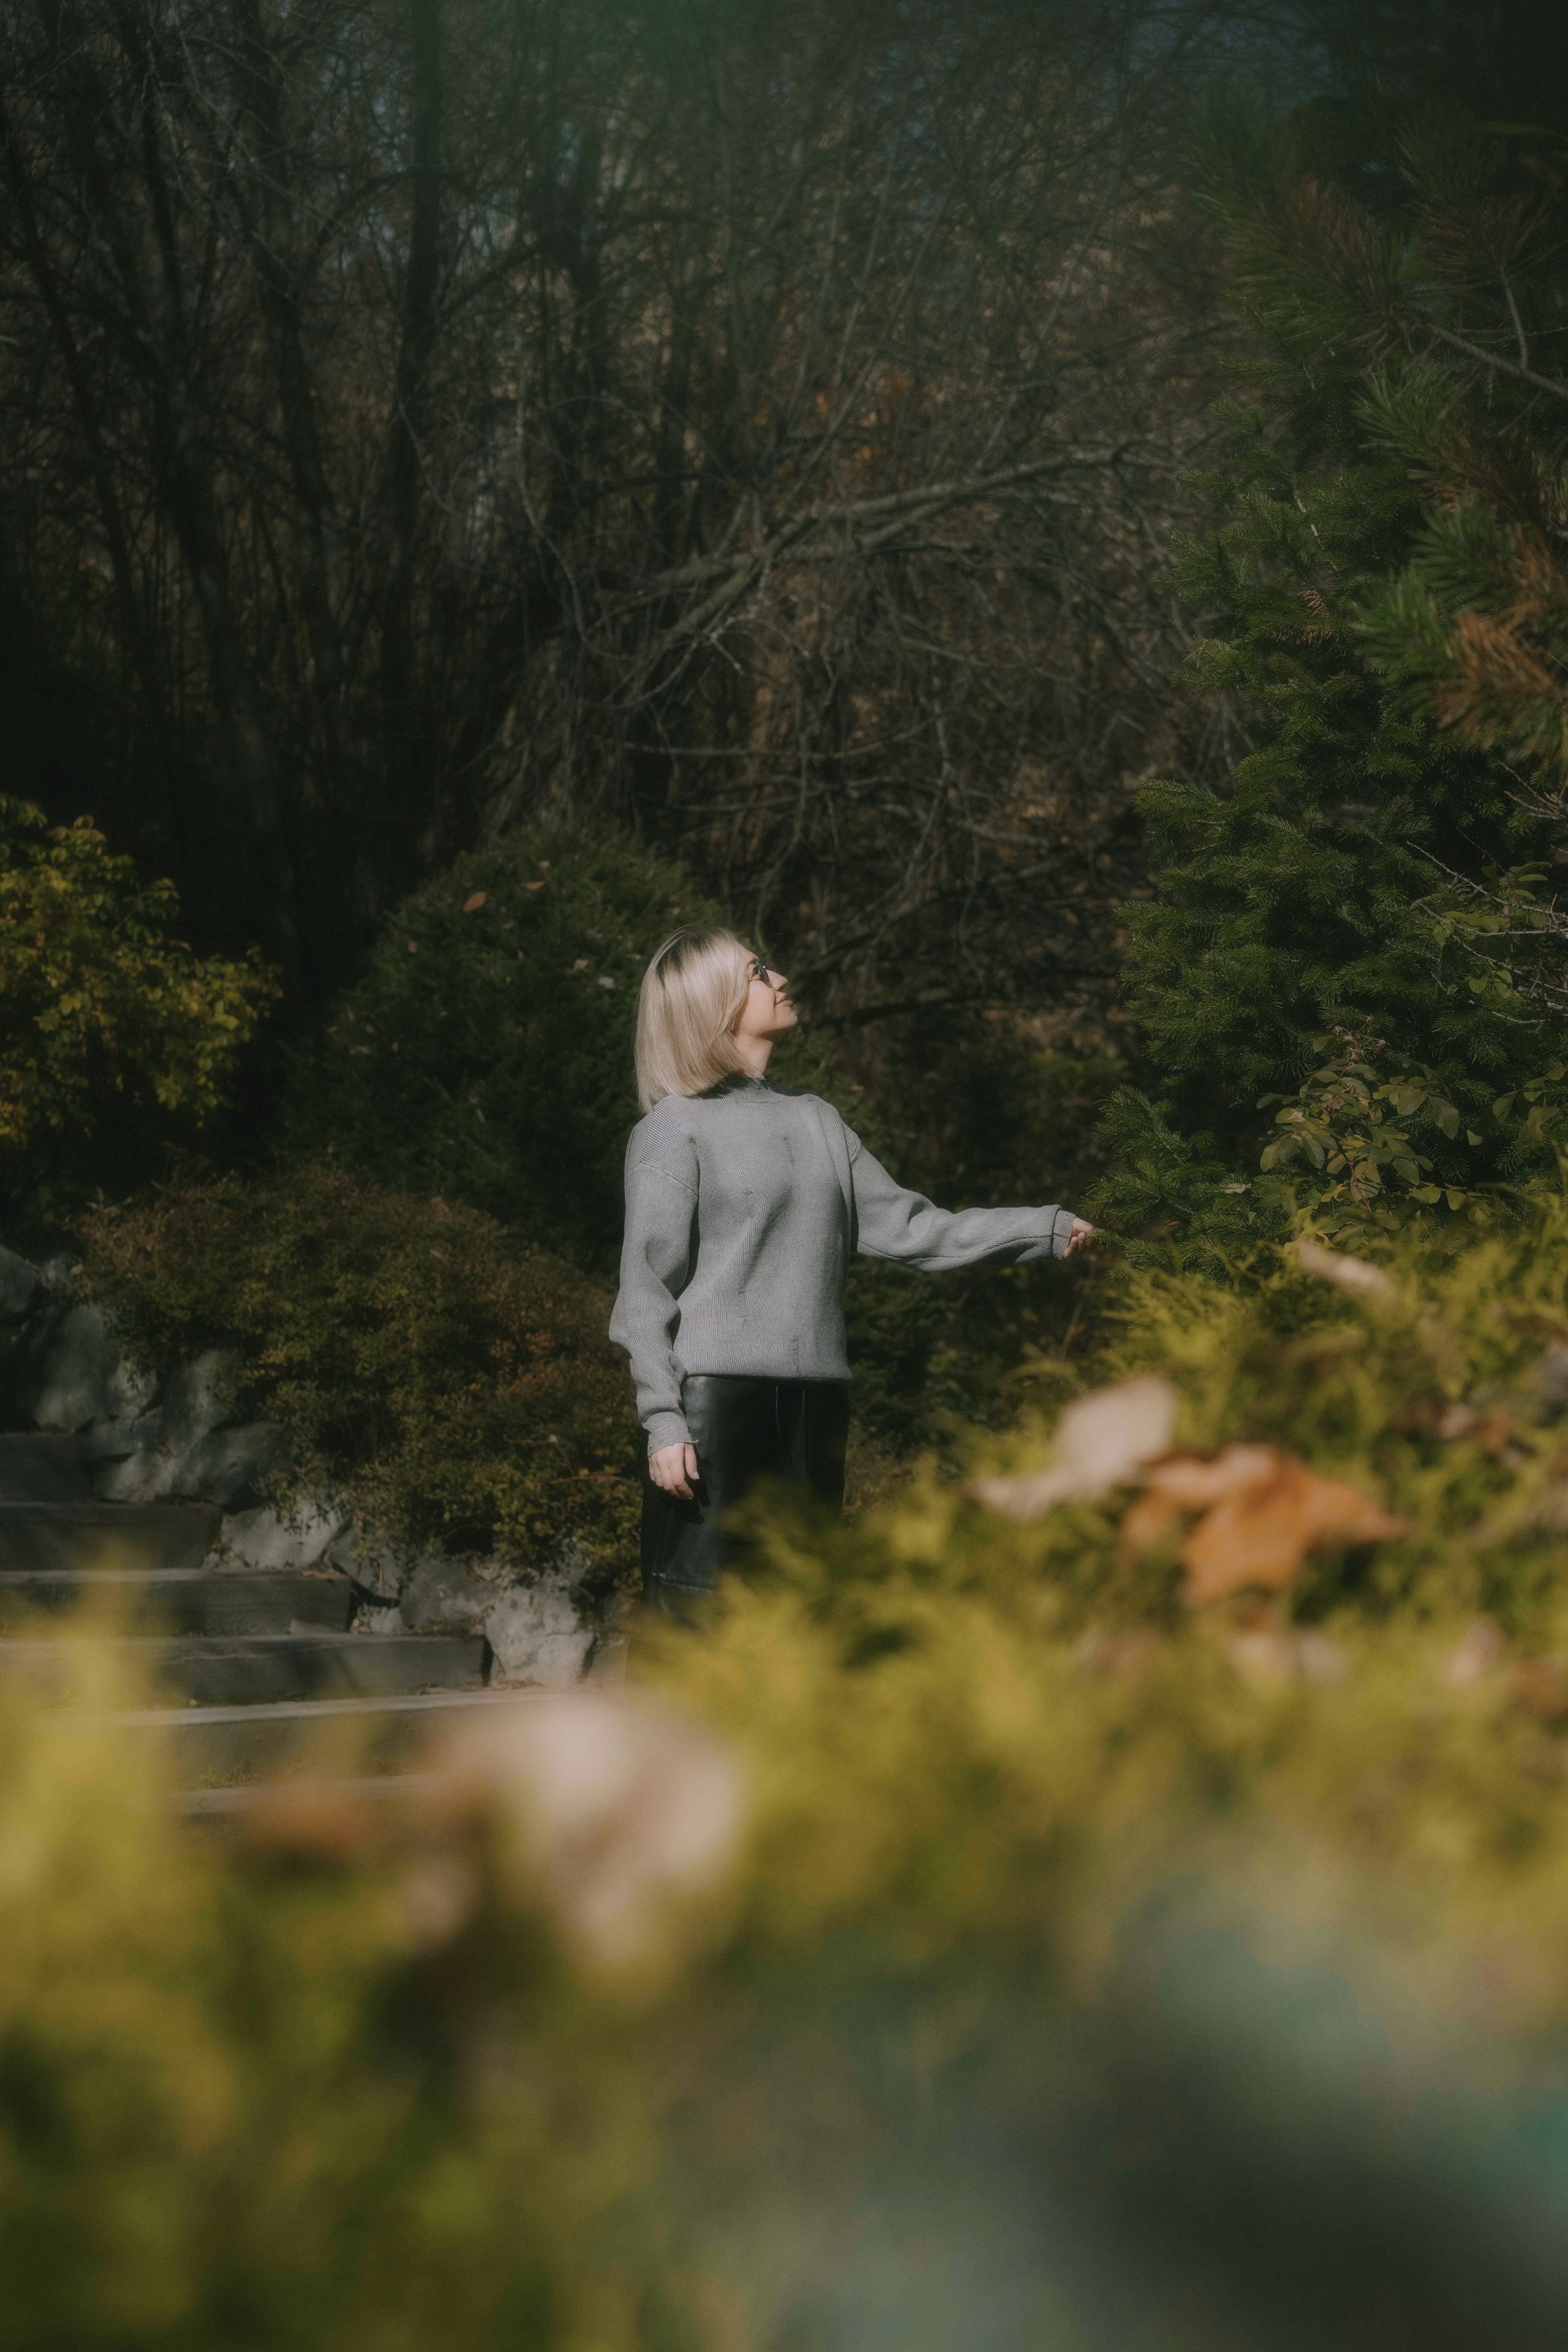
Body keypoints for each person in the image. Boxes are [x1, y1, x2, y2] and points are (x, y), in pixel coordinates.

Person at [609, 929, 1093, 1618]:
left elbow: (916, 1230)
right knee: (695, 1627)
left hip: (815, 1411)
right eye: (755, 971)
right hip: (714, 1413)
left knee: (801, 1623)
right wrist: (664, 1423)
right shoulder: (673, 1130)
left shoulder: (819, 1122)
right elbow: (644, 1293)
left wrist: (1045, 1228)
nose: (778, 978)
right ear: (713, 1004)